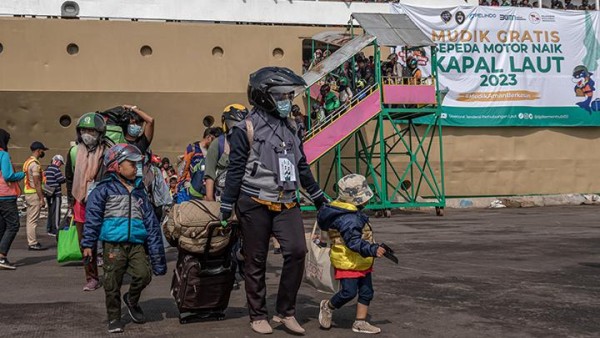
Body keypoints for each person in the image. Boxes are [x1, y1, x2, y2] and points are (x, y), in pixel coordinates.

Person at [220, 67, 328, 335]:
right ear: (263, 95)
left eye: (289, 95)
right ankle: (257, 314)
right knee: (255, 260)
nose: (287, 100)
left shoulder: (292, 126)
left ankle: (285, 311)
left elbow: (301, 165)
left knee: (296, 251)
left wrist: (318, 197)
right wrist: (226, 205)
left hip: (287, 201)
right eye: (281, 95)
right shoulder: (245, 128)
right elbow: (235, 170)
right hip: (253, 201)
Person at [81, 144, 166, 333]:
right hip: (113, 245)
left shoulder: (140, 192)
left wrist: (157, 258)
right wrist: (88, 244)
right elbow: (93, 218)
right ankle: (114, 317)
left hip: (136, 244)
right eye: (131, 164)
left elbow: (151, 225)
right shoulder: (104, 190)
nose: (136, 168)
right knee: (112, 283)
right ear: (116, 166)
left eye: (137, 164)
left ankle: (132, 299)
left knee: (144, 275)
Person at [316, 174, 386, 334]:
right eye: (365, 197)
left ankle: (360, 322)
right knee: (349, 292)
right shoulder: (349, 219)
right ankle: (328, 306)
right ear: (355, 199)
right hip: (347, 260)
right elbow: (353, 242)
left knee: (367, 291)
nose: (367, 200)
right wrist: (372, 249)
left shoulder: (352, 213)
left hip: (361, 260)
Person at [66, 112, 111, 291]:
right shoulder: (74, 152)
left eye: (92, 131)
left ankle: (111, 273)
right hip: (81, 203)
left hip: (104, 203)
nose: (87, 134)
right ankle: (91, 277)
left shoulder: (108, 152)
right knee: (85, 243)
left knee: (108, 241)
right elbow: (69, 177)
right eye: (84, 130)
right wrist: (71, 200)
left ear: (100, 133)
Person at [204, 104, 249, 202]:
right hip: (222, 198)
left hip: (245, 198)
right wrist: (210, 200)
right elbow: (210, 175)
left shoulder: (251, 144)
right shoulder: (217, 144)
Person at [0, 129, 25, 270]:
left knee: (2, 226)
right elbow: (8, 175)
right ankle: (2, 256)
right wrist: (22, 174)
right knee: (13, 225)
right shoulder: (3, 155)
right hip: (6, 195)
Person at [178, 127, 222, 200]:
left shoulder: (214, 151)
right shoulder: (192, 149)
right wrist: (183, 184)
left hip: (208, 192)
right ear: (209, 138)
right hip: (193, 192)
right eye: (215, 141)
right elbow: (183, 170)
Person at [23, 141, 49, 251]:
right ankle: (32, 243)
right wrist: (41, 198)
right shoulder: (35, 164)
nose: (43, 152)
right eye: (42, 150)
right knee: (32, 220)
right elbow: (37, 183)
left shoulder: (27, 162)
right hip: (34, 194)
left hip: (28, 193)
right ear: (38, 151)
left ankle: (31, 241)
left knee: (30, 219)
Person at [44, 155, 66, 236]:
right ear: (57, 161)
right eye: (61, 163)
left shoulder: (47, 169)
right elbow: (61, 180)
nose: (60, 165)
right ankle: (55, 229)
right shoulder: (56, 170)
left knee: (50, 211)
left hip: (48, 193)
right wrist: (66, 178)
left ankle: (49, 228)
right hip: (56, 193)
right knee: (56, 212)